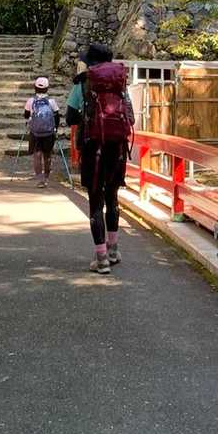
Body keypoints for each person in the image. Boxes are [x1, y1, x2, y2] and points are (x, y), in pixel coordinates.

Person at [66, 42, 134, 274]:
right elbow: (131, 118)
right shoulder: (120, 84)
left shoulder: (83, 83)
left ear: (90, 62)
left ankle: (101, 258)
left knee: (96, 202)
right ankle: (114, 250)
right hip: (117, 148)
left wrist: (87, 117)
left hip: (92, 149)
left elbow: (70, 118)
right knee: (112, 198)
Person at [24, 76, 60, 188]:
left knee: (37, 155)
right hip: (49, 132)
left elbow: (26, 115)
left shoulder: (30, 101)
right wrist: (55, 128)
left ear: (35, 87)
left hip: (35, 132)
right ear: (47, 88)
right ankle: (46, 177)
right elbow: (57, 116)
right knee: (47, 154)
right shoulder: (51, 101)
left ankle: (40, 179)